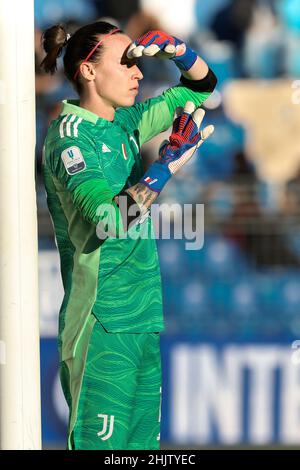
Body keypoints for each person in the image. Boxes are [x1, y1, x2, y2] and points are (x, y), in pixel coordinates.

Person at [40, 21, 217, 450]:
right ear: (88, 71)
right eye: (126, 63)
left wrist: (178, 51)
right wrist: (164, 168)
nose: (139, 73)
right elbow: (108, 220)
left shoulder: (125, 123)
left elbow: (203, 89)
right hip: (102, 323)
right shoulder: (70, 140)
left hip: (142, 317)